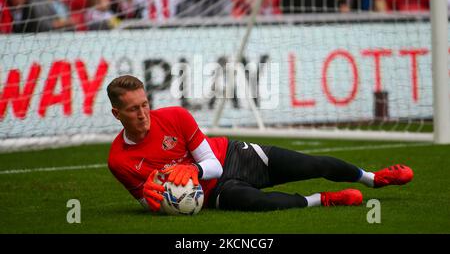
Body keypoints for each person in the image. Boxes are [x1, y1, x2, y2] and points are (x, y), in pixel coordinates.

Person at [107, 75, 414, 213]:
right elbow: (147, 201)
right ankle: (325, 199)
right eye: (134, 109)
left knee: (312, 164)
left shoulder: (174, 116)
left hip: (229, 157)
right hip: (214, 193)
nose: (144, 114)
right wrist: (151, 200)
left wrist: (192, 171)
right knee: (257, 204)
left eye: (145, 104)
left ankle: (374, 179)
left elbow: (212, 165)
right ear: (116, 113)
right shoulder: (118, 161)